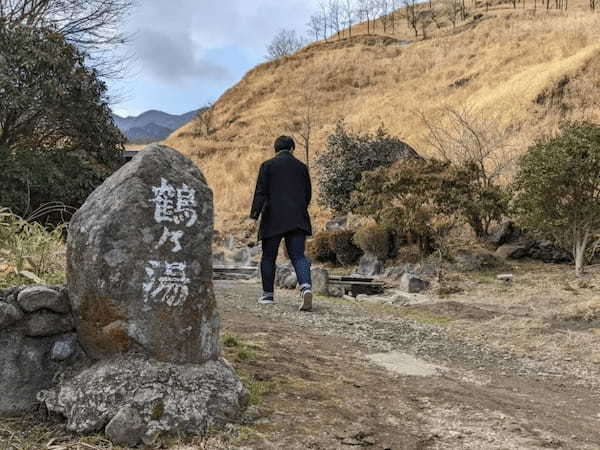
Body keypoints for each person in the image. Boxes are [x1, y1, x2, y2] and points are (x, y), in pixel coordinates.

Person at [249, 135, 313, 311]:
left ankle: (268, 296)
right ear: (292, 149)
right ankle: (306, 287)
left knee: (269, 256)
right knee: (298, 255)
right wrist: (299, 209)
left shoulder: (267, 165)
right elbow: (308, 194)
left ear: (275, 150)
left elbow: (260, 192)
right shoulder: (302, 167)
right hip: (297, 217)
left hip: (273, 217)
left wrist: (254, 216)